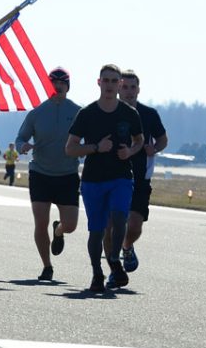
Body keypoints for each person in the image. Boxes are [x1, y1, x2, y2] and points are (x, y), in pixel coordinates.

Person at [66, 64, 143, 292]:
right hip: (92, 180)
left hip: (120, 177)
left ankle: (113, 260)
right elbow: (70, 148)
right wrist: (96, 147)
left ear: (119, 85)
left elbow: (139, 140)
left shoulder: (129, 114)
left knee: (120, 219)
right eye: (106, 80)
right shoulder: (87, 113)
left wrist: (130, 151)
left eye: (114, 81)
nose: (109, 85)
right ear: (99, 83)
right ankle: (96, 273)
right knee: (97, 230)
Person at [16, 67, 82, 281]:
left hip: (67, 174)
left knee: (71, 225)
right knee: (40, 221)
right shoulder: (36, 113)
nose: (58, 86)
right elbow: (20, 138)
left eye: (63, 82)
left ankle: (59, 231)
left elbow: (89, 138)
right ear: (48, 85)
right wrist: (23, 145)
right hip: (41, 173)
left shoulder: (78, 112)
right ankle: (47, 266)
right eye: (54, 82)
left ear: (68, 86)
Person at [105, 70, 167, 273]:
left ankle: (127, 246)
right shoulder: (109, 112)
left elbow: (163, 139)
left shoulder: (149, 114)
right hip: (114, 175)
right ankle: (114, 269)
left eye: (133, 87)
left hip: (141, 177)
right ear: (118, 88)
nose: (129, 91)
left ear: (138, 89)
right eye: (125, 87)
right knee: (114, 224)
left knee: (134, 227)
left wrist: (154, 148)